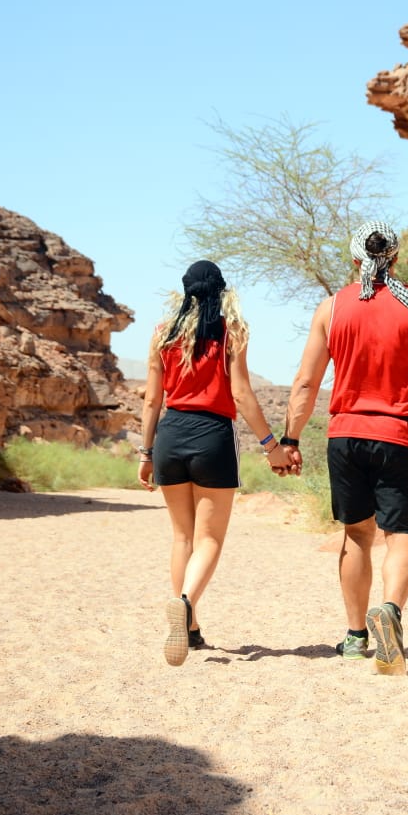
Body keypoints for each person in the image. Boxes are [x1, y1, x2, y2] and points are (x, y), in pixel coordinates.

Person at [281, 220, 408, 675]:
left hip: (345, 436)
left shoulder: (332, 308)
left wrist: (291, 438)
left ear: (355, 259)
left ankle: (356, 637)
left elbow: (305, 382)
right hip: (401, 435)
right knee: (404, 535)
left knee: (357, 535)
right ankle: (391, 611)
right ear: (396, 258)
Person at [138, 259, 292, 667]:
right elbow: (241, 394)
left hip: (170, 435)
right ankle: (185, 606)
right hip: (212, 438)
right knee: (210, 540)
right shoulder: (232, 332)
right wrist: (271, 444)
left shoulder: (161, 334)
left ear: (185, 290)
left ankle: (188, 628)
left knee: (182, 538)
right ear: (221, 291)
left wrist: (145, 452)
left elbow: (152, 400)